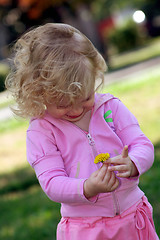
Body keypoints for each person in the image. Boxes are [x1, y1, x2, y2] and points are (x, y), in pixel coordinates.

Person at [5, 23, 159, 240]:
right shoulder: (42, 131)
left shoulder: (110, 108)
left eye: (86, 97)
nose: (76, 109)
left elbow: (142, 144)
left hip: (133, 217)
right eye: (63, 103)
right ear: (39, 93)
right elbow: (51, 182)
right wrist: (87, 187)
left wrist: (134, 163)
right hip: (86, 228)